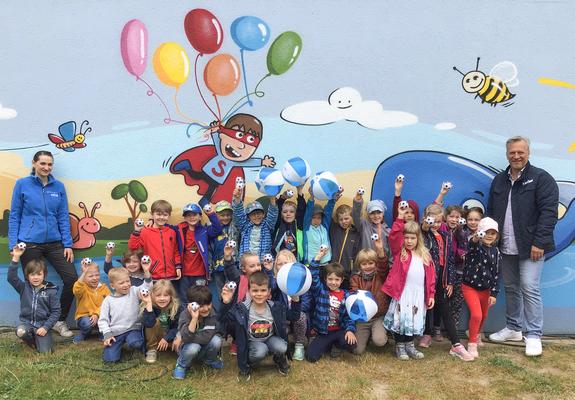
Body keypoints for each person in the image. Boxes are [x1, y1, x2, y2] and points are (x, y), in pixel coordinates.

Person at [487, 136, 559, 357]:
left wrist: (539, 242)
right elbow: (491, 211)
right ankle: (514, 328)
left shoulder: (541, 178)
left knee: (529, 287)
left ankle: (534, 334)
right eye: (512, 152)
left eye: (520, 152)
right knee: (510, 287)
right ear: (507, 154)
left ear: (528, 153)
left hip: (531, 247)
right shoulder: (499, 180)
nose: (516, 156)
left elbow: (549, 213)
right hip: (505, 245)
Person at [8, 150, 77, 337]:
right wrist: (13, 244)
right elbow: (15, 215)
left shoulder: (58, 187)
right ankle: (35, 325)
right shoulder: (22, 184)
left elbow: (63, 216)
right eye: (42, 164)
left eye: (49, 164)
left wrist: (68, 244)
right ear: (34, 163)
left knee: (72, 278)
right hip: (29, 243)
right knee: (33, 286)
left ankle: (59, 320)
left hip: (55, 243)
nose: (46, 167)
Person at [222, 271, 299, 381]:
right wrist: (226, 302)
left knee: (282, 346)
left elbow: (294, 316)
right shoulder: (242, 309)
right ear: (249, 291)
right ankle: (247, 364)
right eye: (255, 290)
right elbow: (226, 319)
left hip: (269, 339)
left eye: (263, 290)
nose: (259, 294)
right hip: (252, 342)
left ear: (269, 292)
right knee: (260, 351)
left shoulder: (275, 307)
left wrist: (296, 300)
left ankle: (279, 359)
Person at [420, 204, 473, 361]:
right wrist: (425, 225)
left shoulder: (446, 236)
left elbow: (450, 260)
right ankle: (426, 334)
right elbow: (422, 229)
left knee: (444, 308)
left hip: (442, 279)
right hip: (427, 278)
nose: (435, 224)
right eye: (432, 221)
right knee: (428, 307)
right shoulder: (424, 234)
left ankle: (456, 344)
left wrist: (449, 281)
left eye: (438, 221)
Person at [382, 208, 435, 360]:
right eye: (407, 238)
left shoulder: (425, 255)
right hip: (403, 292)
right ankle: (400, 347)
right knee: (401, 319)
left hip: (418, 294)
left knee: (412, 320)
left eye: (413, 238)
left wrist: (431, 294)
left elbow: (431, 277)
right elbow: (394, 237)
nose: (409, 241)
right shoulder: (401, 252)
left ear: (418, 238)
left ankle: (410, 345)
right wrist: (399, 218)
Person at [306, 248, 357, 362]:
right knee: (311, 357)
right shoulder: (321, 291)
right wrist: (318, 257)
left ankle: (337, 345)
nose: (333, 282)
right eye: (330, 279)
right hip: (323, 332)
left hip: (339, 330)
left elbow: (350, 317)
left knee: (351, 344)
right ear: (325, 279)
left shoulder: (346, 295)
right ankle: (327, 344)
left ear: (342, 280)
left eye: (337, 279)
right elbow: (312, 276)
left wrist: (350, 330)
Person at [8, 244, 60, 353]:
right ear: (27, 276)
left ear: (44, 275)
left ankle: (41, 340)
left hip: (42, 325)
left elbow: (56, 312)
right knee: (21, 331)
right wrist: (16, 257)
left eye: (39, 274)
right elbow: (11, 277)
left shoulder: (51, 291)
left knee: (46, 353)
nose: (35, 277)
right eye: (32, 274)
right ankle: (30, 340)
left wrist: (46, 327)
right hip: (27, 324)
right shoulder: (23, 288)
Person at [97, 261, 152, 363]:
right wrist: (107, 334)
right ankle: (117, 347)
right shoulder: (108, 300)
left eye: (127, 281)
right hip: (115, 332)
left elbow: (147, 287)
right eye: (121, 283)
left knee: (137, 343)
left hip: (132, 329)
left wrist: (146, 271)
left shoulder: (134, 291)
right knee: (110, 361)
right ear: (113, 286)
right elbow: (103, 320)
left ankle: (133, 346)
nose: (126, 285)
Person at [462, 217, 501, 359]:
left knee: (483, 316)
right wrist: (477, 238)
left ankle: (475, 334)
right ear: (480, 232)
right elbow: (471, 245)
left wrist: (494, 293)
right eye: (486, 232)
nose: (489, 235)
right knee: (477, 314)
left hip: (486, 290)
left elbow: (497, 273)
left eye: (493, 233)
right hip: (470, 287)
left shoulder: (496, 252)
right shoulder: (475, 247)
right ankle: (471, 344)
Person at [172, 285, 229, 379]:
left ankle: (209, 360)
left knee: (216, 341)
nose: (206, 308)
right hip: (188, 348)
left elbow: (207, 337)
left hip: (202, 345)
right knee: (194, 347)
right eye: (201, 306)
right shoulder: (185, 315)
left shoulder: (212, 314)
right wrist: (194, 319)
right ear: (191, 305)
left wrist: (184, 337)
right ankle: (181, 365)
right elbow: (186, 338)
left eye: (208, 304)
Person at [175, 203, 222, 303]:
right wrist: (152, 221)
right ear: (184, 218)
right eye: (188, 215)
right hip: (184, 274)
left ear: (200, 216)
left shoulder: (204, 231)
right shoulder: (180, 230)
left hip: (200, 274)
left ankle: (200, 318)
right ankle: (186, 318)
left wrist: (211, 214)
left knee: (200, 299)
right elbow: (165, 227)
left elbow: (217, 229)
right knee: (184, 300)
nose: (192, 217)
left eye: (195, 214)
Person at [271, 250, 312, 361]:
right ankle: (282, 345)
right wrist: (277, 279)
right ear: (276, 266)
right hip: (283, 316)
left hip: (297, 316)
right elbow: (271, 293)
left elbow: (306, 303)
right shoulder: (275, 281)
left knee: (301, 316)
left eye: (286, 263)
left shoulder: (301, 281)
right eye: (280, 264)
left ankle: (299, 345)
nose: (283, 266)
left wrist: (294, 309)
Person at [349, 244, 390, 355]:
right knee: (357, 350)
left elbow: (383, 265)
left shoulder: (381, 275)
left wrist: (380, 251)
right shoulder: (355, 278)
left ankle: (380, 335)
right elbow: (354, 296)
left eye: (371, 263)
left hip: (378, 316)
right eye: (364, 264)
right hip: (363, 318)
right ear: (359, 265)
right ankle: (366, 337)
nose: (368, 266)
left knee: (379, 341)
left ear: (376, 264)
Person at [128, 199, 182, 281]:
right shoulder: (145, 232)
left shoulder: (172, 232)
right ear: (152, 215)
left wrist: (178, 266)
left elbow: (175, 251)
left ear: (169, 216)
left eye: (165, 215)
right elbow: (133, 247)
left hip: (171, 276)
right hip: (153, 276)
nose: (161, 217)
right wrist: (137, 231)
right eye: (158, 214)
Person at [141, 280, 182, 363]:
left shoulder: (176, 307)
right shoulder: (149, 306)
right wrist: (148, 303)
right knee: (154, 321)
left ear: (171, 296)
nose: (162, 298)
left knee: (183, 346)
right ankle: (152, 349)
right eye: (158, 295)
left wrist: (167, 338)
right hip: (156, 336)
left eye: (166, 295)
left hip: (170, 337)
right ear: (152, 296)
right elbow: (148, 324)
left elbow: (178, 327)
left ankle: (170, 347)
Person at [232, 186, 278, 259]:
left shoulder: (267, 225)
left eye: (259, 213)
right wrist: (237, 199)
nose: (256, 216)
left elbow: (273, 214)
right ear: (248, 217)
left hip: (263, 263)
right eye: (253, 214)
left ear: (263, 214)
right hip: (247, 263)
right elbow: (239, 214)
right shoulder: (245, 226)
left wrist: (272, 199)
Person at [209, 200, 239, 307]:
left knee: (233, 291)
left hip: (232, 265)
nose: (225, 217)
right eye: (222, 215)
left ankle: (234, 313)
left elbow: (237, 213)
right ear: (216, 215)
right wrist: (209, 268)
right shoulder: (212, 230)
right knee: (221, 292)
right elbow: (209, 250)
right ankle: (223, 313)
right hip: (217, 268)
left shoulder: (233, 227)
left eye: (228, 215)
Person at [72, 259, 111, 344]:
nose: (94, 278)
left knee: (111, 315)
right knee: (87, 323)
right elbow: (76, 290)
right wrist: (84, 272)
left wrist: (97, 314)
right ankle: (84, 333)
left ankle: (102, 332)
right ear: (84, 277)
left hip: (100, 315)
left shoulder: (104, 288)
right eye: (90, 276)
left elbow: (108, 304)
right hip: (84, 316)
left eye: (97, 275)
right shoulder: (82, 288)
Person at [329, 203, 362, 286]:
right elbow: (327, 214)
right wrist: (333, 200)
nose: (344, 221)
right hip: (331, 272)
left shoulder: (356, 233)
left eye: (346, 218)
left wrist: (354, 272)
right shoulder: (334, 229)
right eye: (341, 219)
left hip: (347, 274)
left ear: (352, 218)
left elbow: (357, 253)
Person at [302, 187, 337, 265]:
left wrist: (332, 200)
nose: (316, 220)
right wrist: (311, 196)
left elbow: (328, 212)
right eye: (313, 217)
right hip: (311, 262)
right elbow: (308, 211)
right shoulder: (307, 227)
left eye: (319, 218)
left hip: (325, 262)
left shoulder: (324, 227)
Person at [272, 187, 306, 260]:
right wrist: (282, 198)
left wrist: (299, 191)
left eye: (291, 212)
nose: (288, 214)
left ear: (296, 214)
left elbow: (302, 208)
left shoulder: (298, 224)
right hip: (280, 259)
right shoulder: (278, 224)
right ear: (281, 214)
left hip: (295, 259)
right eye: (285, 212)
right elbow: (276, 209)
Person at [352, 191, 390, 256]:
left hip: (381, 263)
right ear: (368, 214)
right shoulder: (364, 226)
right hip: (366, 262)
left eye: (379, 212)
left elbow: (390, 251)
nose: (376, 216)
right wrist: (357, 201)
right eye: (372, 213)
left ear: (383, 213)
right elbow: (356, 215)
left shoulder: (388, 231)